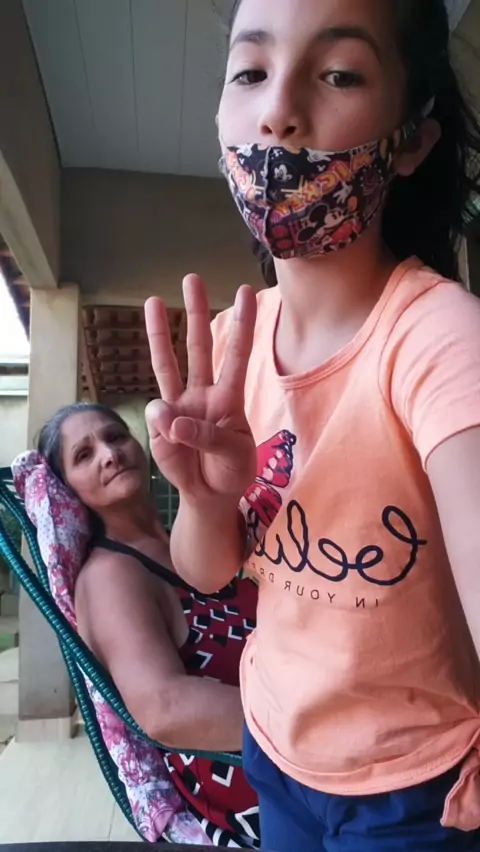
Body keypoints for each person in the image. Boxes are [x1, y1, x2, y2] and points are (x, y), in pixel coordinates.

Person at [143, 0, 480, 849]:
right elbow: (209, 572)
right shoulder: (232, 345)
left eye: (337, 74)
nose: (278, 111)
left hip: (416, 788)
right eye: (250, 72)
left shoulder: (438, 336)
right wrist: (202, 499)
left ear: (410, 140)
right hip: (274, 746)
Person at [37, 403, 260, 847]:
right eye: (84, 455)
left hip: (297, 742)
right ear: (68, 487)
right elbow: (164, 708)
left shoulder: (185, 541)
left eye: (115, 436)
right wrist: (315, 724)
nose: (109, 455)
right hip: (249, 777)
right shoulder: (110, 575)